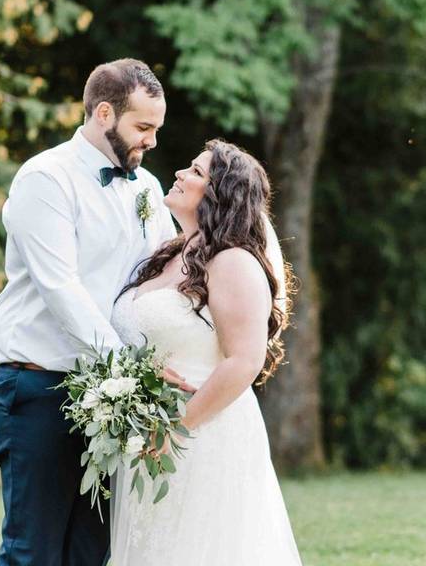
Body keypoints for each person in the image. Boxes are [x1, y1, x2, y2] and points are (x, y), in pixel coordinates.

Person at [0, 58, 191, 566]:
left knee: (90, 554)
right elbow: (62, 290)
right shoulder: (45, 178)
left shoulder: (145, 187)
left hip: (110, 397)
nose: (152, 141)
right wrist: (133, 368)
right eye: (143, 127)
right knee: (32, 552)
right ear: (104, 113)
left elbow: (166, 270)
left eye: (156, 129)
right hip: (39, 387)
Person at [108, 139, 303, 565]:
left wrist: (176, 427)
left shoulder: (233, 262)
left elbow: (244, 361)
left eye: (196, 172)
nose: (179, 174)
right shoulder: (171, 254)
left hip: (202, 433)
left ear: (221, 196)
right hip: (153, 435)